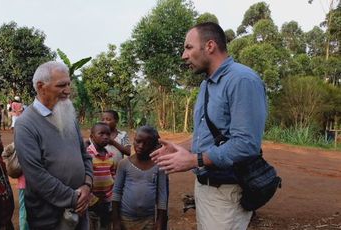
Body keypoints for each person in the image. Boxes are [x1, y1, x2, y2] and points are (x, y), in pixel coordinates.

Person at [151, 22, 267, 230]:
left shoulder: (242, 80)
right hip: (205, 187)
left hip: (227, 192)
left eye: (188, 47)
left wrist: (194, 159)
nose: (183, 55)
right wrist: (184, 149)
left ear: (210, 46)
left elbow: (246, 144)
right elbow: (210, 136)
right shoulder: (207, 84)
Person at [14, 61, 93, 229]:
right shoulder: (25, 124)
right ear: (41, 87)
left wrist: (87, 185)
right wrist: (74, 198)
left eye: (68, 84)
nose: (67, 91)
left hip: (79, 209)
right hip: (48, 217)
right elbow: (36, 175)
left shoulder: (68, 116)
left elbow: (84, 155)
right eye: (61, 85)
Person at [112, 126, 168, 230]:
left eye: (147, 144)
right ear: (134, 140)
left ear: (154, 145)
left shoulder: (159, 166)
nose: (141, 146)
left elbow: (162, 196)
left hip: (148, 219)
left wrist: (160, 221)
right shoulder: (124, 164)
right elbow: (116, 192)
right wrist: (116, 221)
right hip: (125, 218)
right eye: (138, 141)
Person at [87, 122, 116, 230]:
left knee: (106, 224)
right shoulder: (87, 155)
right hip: (92, 202)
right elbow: (83, 178)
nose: (105, 137)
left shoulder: (109, 155)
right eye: (101, 134)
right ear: (92, 137)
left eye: (108, 134)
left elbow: (112, 173)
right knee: (92, 224)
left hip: (107, 199)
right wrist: (93, 199)